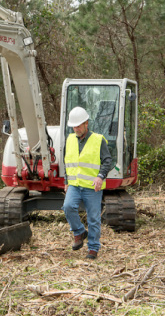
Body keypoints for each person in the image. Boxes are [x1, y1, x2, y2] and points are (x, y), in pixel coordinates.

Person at [62, 106, 113, 260]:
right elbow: (68, 162)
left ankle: (93, 249)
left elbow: (107, 161)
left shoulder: (98, 140)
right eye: (74, 126)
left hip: (92, 186)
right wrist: (66, 181)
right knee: (68, 207)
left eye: (78, 126)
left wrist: (100, 176)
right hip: (75, 185)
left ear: (86, 123)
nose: (76, 129)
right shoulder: (70, 140)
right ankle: (79, 232)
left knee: (93, 218)